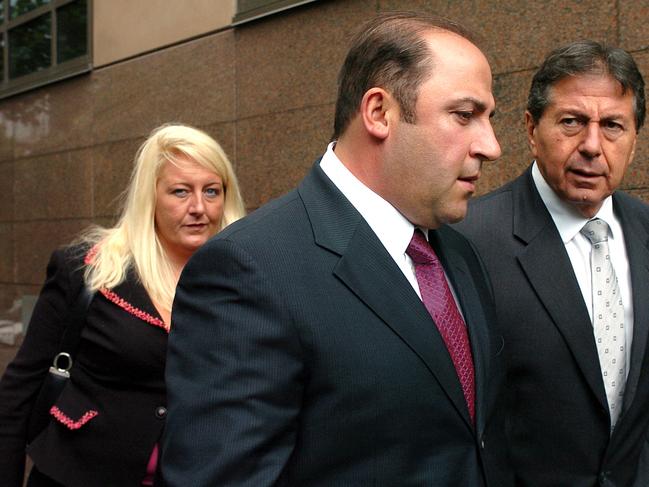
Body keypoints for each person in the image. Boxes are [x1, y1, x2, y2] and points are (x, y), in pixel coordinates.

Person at [162, 12, 512, 487]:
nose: (491, 145)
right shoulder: (250, 269)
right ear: (379, 113)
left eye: (489, 117)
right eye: (464, 115)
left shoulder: (459, 253)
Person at [0, 123, 246, 486]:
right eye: (180, 192)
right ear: (150, 196)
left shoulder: (245, 280)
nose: (198, 207)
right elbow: (19, 391)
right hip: (77, 475)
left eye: (212, 191)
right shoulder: (88, 270)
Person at [455, 40, 649, 486]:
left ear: (634, 142)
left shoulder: (644, 232)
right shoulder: (467, 243)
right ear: (530, 129)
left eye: (614, 126)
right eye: (572, 122)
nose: (592, 146)